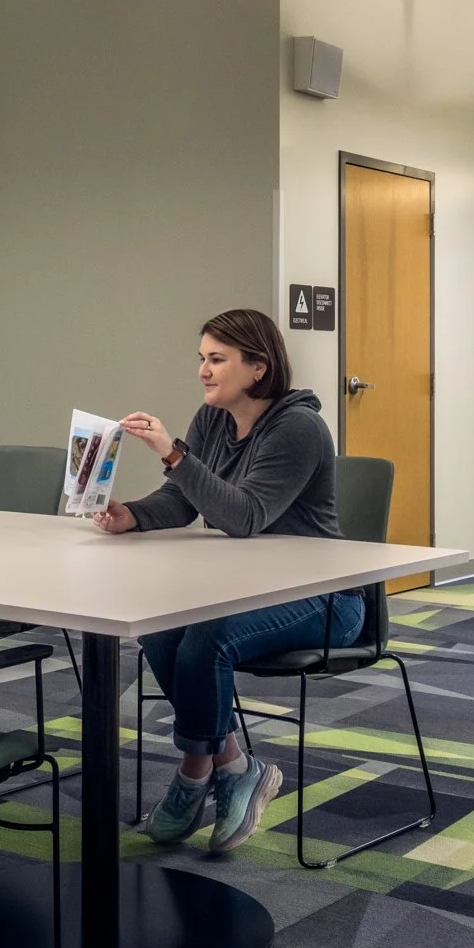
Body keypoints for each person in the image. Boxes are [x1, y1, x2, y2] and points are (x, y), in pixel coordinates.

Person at [91, 308, 361, 855]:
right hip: (243, 591)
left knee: (208, 638)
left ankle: (195, 770)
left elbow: (245, 516)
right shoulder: (212, 420)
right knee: (161, 630)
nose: (204, 371)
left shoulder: (299, 428)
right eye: (202, 359)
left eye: (217, 360)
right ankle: (235, 765)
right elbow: (184, 500)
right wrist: (134, 515)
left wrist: (172, 453)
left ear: (257, 367)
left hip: (321, 597)